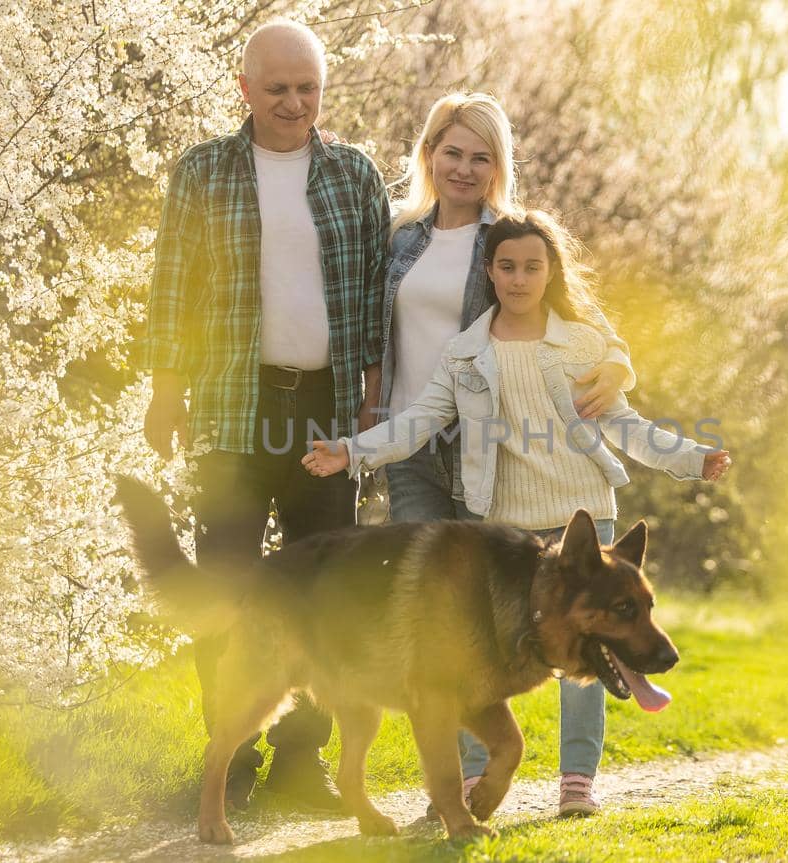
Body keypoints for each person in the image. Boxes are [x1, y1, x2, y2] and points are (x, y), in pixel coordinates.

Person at [303, 210, 732, 817]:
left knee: (594, 648)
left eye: (533, 266)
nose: (520, 278)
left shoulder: (581, 345)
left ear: (550, 270)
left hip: (584, 523)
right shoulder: (466, 354)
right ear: (490, 271)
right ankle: (474, 782)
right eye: (507, 266)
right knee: (473, 657)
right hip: (507, 534)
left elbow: (628, 429)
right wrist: (351, 451)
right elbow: (420, 421)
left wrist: (693, 458)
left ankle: (577, 781)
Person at [135, 18, 389, 813]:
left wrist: (372, 400)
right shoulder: (205, 171)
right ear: (243, 88)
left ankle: (300, 763)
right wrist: (166, 391)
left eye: (306, 88)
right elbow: (173, 284)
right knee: (228, 585)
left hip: (325, 409)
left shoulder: (353, 174)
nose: (293, 102)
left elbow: (376, 294)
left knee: (324, 589)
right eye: (276, 88)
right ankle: (228, 759)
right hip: (230, 405)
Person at [375, 92, 636, 523]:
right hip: (410, 442)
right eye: (453, 153)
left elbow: (589, 318)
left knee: (479, 585)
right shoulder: (399, 235)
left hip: (485, 444)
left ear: (498, 167)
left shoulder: (508, 239)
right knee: (419, 584)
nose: (464, 169)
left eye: (481, 158)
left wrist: (616, 366)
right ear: (429, 155)